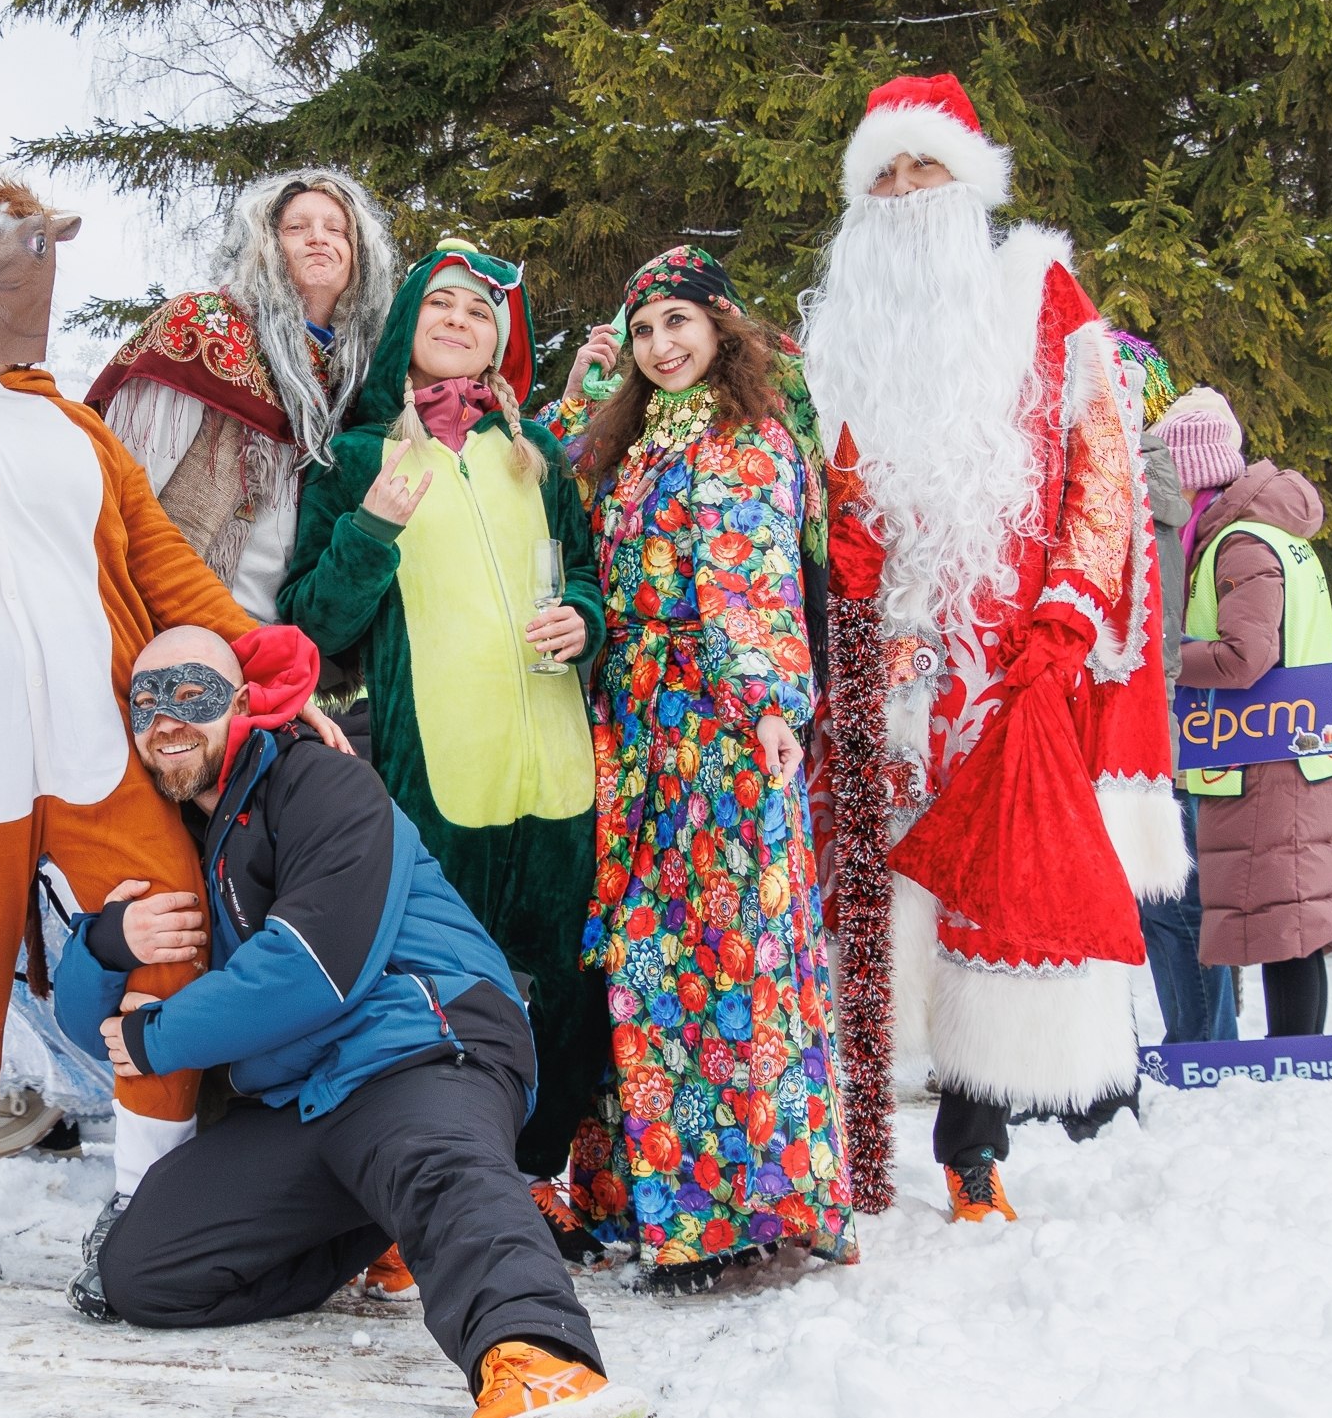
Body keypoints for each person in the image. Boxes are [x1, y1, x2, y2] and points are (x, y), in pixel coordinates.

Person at [0, 171, 346, 1303]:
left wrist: (266, 665)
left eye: (10, 246)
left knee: (170, 935)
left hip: (99, 750)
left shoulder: (80, 430)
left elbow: (165, 567)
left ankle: (147, 1203)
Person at [58, 623, 647, 1418]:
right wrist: (110, 941)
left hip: (416, 1040)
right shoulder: (168, 844)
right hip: (305, 1102)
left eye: (192, 693)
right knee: (143, 1269)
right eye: (145, 702)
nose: (166, 718)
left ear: (241, 701)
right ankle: (386, 1216)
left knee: (433, 1161)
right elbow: (89, 1028)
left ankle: (537, 1358)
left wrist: (162, 1032)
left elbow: (315, 963)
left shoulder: (319, 781)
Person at [798, 74, 1188, 1222]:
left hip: (1004, 669)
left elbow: (1103, 474)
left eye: (924, 166)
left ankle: (973, 1149)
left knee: (996, 902)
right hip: (872, 671)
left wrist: (1065, 622)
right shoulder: (833, 337)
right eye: (883, 173)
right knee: (870, 904)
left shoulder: (1035, 296)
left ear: (967, 182)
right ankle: (856, 1143)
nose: (904, 190)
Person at [278, 239, 613, 1268]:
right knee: (435, 992)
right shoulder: (353, 459)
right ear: (409, 326)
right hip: (435, 780)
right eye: (443, 305)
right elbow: (312, 625)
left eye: (480, 311)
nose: (461, 320)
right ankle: (415, 1198)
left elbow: (586, 578)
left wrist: (586, 621)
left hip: (557, 775)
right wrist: (372, 528)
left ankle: (539, 1177)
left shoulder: (535, 456)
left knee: (564, 989)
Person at [566, 246, 854, 1293]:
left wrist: (770, 707)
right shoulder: (631, 440)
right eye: (644, 331)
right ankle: (643, 1200)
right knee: (642, 955)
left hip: (717, 729)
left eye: (678, 323)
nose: (660, 345)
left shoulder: (747, 438)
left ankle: (736, 1213)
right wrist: (580, 394)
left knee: (728, 957)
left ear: (723, 328)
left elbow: (754, 575)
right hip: (636, 726)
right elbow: (559, 488)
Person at [88, 169, 397, 620]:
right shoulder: (202, 325)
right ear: (266, 245)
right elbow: (124, 487)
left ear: (360, 254)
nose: (318, 238)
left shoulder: (353, 380)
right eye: (296, 227)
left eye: (337, 230)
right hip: (171, 614)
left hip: (280, 635)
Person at [1166, 389, 1332, 1035]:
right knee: (1292, 922)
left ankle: (1296, 1065)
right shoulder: (1275, 534)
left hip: (1272, 761)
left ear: (1194, 476)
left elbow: (1244, 656)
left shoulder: (1240, 542)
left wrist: (1162, 655)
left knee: (1289, 927)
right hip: (1297, 752)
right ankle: (1297, 1061)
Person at [1121, 343, 1240, 1045]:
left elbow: (1231, 649)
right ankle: (1202, 1037)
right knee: (1172, 897)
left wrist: (1166, 665)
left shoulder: (1223, 536)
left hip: (1169, 730)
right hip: (1176, 729)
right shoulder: (1192, 521)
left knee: (1174, 900)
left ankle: (1202, 1042)